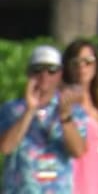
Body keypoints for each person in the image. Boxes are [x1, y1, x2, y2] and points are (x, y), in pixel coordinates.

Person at [0, 45, 87, 193]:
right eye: (37, 69)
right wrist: (29, 110)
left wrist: (65, 117)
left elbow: (78, 151)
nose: (44, 76)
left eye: (51, 70)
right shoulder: (10, 109)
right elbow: (5, 148)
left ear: (60, 74)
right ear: (28, 73)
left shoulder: (74, 109)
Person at [63, 39, 98, 194]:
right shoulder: (64, 100)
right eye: (76, 62)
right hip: (73, 183)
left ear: (96, 65)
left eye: (88, 61)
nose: (82, 67)